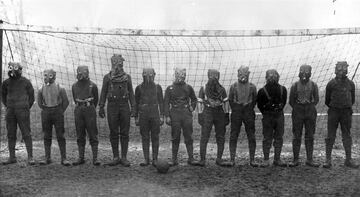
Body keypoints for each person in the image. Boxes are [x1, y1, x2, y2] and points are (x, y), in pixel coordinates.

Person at [99, 54, 135, 167]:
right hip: (112, 106)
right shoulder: (107, 77)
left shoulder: (127, 78)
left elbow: (131, 93)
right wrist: (101, 106)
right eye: (116, 63)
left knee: (124, 132)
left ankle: (124, 157)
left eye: (120, 63)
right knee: (113, 131)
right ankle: (115, 157)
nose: (118, 65)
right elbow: (103, 92)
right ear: (112, 63)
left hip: (124, 106)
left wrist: (133, 107)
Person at [323, 61, 359, 168]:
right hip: (333, 111)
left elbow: (352, 100)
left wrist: (345, 107)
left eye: (344, 68)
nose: (341, 71)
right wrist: (335, 107)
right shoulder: (331, 83)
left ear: (347, 69)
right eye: (339, 68)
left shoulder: (351, 84)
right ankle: (328, 160)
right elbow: (327, 100)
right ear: (335, 69)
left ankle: (348, 160)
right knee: (330, 135)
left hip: (346, 112)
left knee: (347, 135)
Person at [1, 62, 35, 165]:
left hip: (22, 111)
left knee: (26, 133)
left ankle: (30, 157)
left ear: (20, 70)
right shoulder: (6, 83)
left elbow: (31, 97)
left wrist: (25, 107)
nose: (13, 71)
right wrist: (9, 106)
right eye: (11, 69)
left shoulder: (26, 82)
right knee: (11, 134)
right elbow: (3, 96)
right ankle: (12, 158)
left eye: (16, 69)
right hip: (10, 111)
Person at [195, 69, 229, 167]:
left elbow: (226, 102)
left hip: (219, 112)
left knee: (220, 136)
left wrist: (226, 114)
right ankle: (202, 159)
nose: (213, 78)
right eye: (211, 76)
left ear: (218, 77)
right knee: (204, 135)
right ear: (208, 76)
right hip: (208, 112)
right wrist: (200, 114)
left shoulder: (222, 89)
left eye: (216, 76)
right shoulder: (204, 88)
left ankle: (219, 159)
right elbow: (199, 102)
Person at [164, 67, 198, 166]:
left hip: (186, 114)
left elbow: (194, 99)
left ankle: (191, 158)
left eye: (183, 75)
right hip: (174, 114)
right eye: (179, 74)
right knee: (175, 137)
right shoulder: (169, 88)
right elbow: (166, 103)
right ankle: (174, 160)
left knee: (188, 136)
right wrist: (167, 116)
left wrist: (192, 107)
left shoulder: (188, 87)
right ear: (175, 75)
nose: (181, 77)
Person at [288, 65, 320, 167]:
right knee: (297, 135)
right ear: (299, 72)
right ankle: (295, 159)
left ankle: (309, 159)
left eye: (307, 71)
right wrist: (299, 107)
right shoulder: (294, 85)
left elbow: (316, 99)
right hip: (298, 111)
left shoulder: (314, 85)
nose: (304, 74)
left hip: (310, 111)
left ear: (310, 73)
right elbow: (291, 101)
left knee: (310, 135)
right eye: (302, 71)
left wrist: (309, 105)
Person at [38, 69, 71, 166]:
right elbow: (40, 103)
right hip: (46, 112)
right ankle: (47, 158)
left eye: (49, 75)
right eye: (44, 75)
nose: (46, 77)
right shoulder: (41, 89)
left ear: (54, 76)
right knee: (46, 135)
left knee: (60, 135)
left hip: (57, 112)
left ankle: (64, 158)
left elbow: (66, 102)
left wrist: (60, 111)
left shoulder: (60, 88)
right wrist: (46, 110)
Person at [228, 66, 258, 167]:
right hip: (236, 113)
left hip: (248, 113)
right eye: (241, 73)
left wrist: (248, 107)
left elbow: (254, 100)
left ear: (248, 74)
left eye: (245, 73)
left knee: (251, 136)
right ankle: (232, 159)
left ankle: (252, 159)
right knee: (233, 136)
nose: (243, 76)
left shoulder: (253, 87)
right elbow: (231, 100)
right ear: (238, 74)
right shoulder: (233, 86)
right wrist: (238, 108)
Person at [257, 69, 287, 167]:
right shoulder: (261, 91)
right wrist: (267, 111)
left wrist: (278, 108)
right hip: (267, 116)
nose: (272, 77)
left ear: (278, 77)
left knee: (279, 137)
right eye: (270, 76)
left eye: (274, 75)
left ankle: (277, 159)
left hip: (279, 116)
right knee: (267, 138)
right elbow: (260, 105)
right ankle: (266, 159)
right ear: (266, 78)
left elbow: (284, 102)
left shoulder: (283, 89)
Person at [134, 67, 164, 166]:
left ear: (154, 75)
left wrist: (162, 116)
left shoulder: (158, 87)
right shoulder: (139, 88)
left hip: (154, 114)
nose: (148, 77)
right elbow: (136, 103)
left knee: (155, 136)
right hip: (143, 115)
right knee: (145, 137)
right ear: (142, 75)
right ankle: (146, 159)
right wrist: (136, 117)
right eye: (145, 74)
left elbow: (161, 102)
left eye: (150, 75)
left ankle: (154, 159)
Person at [72, 66, 100, 166]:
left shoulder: (93, 85)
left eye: (83, 72)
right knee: (80, 133)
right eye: (79, 72)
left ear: (87, 73)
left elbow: (96, 100)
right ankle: (81, 157)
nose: (81, 74)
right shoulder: (74, 86)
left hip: (89, 110)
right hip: (79, 110)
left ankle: (95, 158)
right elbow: (75, 98)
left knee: (92, 133)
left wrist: (90, 108)